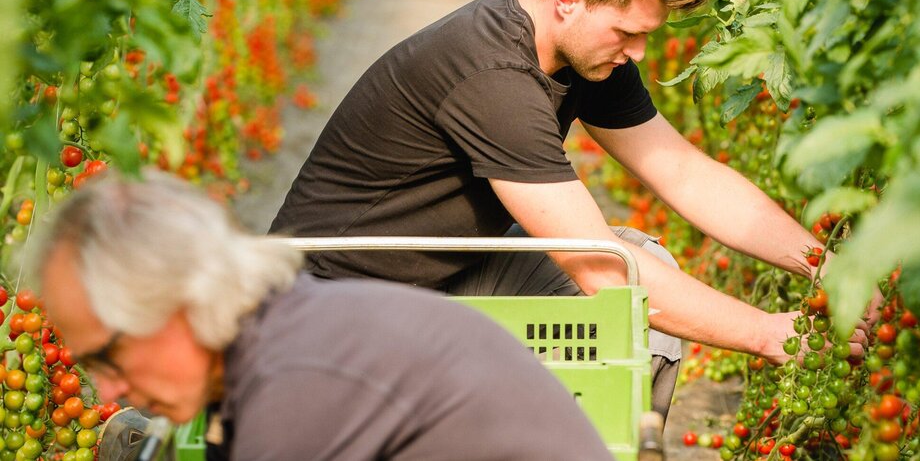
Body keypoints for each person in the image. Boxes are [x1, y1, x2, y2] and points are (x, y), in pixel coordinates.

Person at [270, 0, 865, 418]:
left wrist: (825, 265)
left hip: (437, 273)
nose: (636, 53)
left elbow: (685, 174)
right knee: (623, 278)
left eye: (645, 36)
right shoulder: (494, 77)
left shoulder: (582, 53)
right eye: (626, 32)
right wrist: (769, 334)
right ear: (568, 1)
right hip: (332, 306)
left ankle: (609, 437)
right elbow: (598, 272)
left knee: (641, 258)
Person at [29, 170, 613, 461]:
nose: (106, 387)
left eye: (109, 355)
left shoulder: (297, 386)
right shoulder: (286, 331)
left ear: (178, 301)